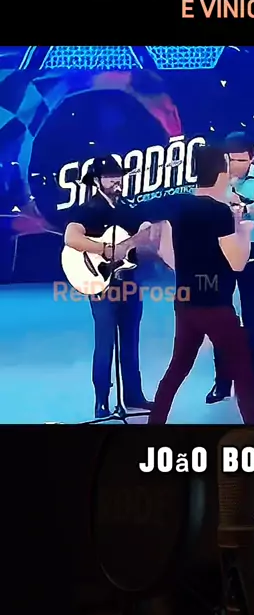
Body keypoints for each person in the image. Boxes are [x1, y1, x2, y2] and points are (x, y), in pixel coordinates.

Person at [148, 144, 254, 425]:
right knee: (243, 370)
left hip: (185, 302)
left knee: (177, 368)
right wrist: (243, 229)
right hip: (215, 306)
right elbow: (237, 262)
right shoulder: (219, 212)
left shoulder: (181, 207)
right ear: (221, 173)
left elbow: (167, 253)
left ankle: (154, 424)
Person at [64, 156, 154, 418]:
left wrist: (143, 235)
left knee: (131, 340)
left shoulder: (129, 207)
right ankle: (101, 400)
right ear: (97, 181)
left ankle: (133, 395)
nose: (116, 181)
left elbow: (145, 231)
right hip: (101, 283)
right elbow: (71, 237)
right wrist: (104, 249)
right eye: (109, 177)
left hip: (130, 281)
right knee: (105, 341)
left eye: (118, 175)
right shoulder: (88, 209)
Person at [206, 132, 254, 411]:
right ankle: (222, 382)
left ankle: (253, 388)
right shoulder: (215, 176)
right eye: (231, 160)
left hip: (252, 250)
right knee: (220, 316)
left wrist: (242, 206)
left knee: (253, 318)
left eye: (241, 160)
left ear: (252, 157)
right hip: (220, 251)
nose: (235, 165)